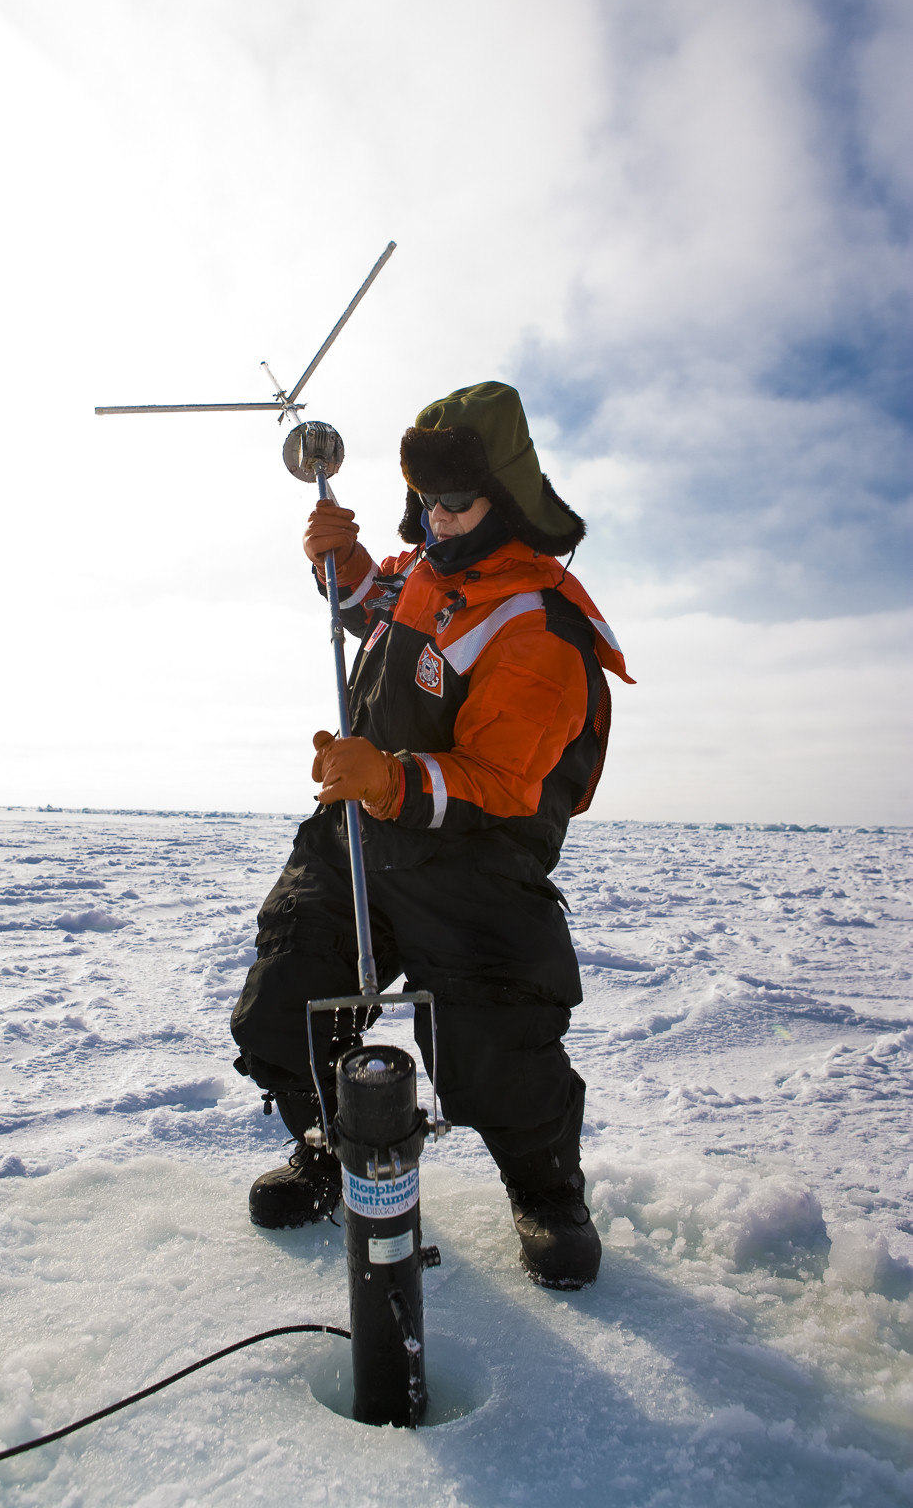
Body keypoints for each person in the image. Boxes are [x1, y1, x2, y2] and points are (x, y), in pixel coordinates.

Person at [230, 381, 633, 1289]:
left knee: (499, 1045)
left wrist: (388, 777)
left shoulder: (540, 625)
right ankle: (333, 1150)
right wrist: (353, 575)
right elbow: (394, 631)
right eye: (425, 503)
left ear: (507, 497)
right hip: (361, 837)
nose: (437, 520)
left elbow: (498, 783)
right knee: (286, 998)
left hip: (473, 857)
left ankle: (546, 1191)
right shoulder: (430, 570)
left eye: (455, 501)